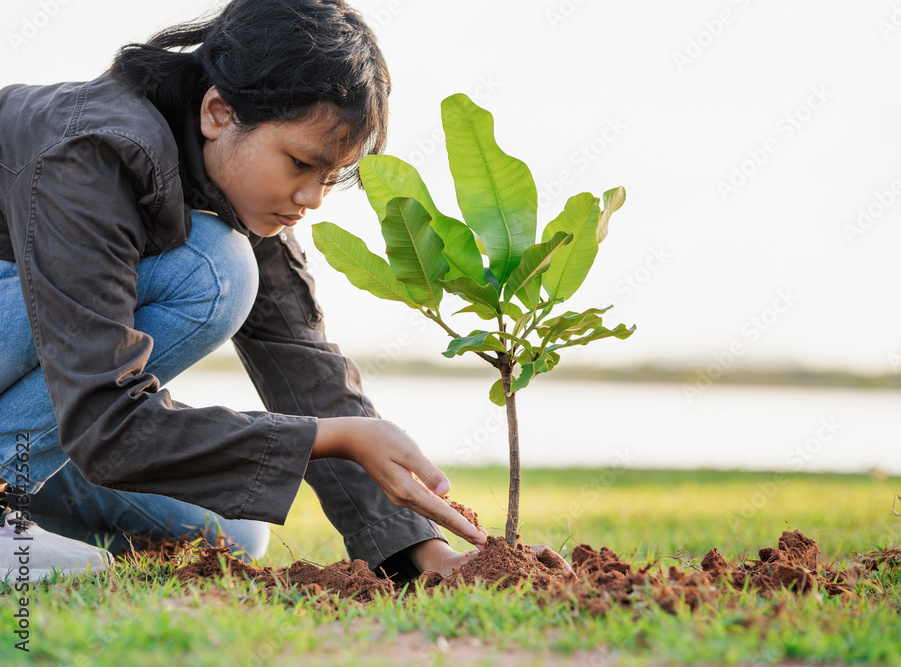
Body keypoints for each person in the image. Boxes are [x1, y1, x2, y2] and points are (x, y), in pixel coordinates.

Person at [0, 0, 557, 584]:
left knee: (232, 533)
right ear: (218, 111)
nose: (312, 198)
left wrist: (422, 554)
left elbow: (304, 366)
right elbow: (106, 421)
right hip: (89, 406)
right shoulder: (94, 155)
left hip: (58, 414)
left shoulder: (230, 184)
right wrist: (331, 438)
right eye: (301, 163)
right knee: (217, 272)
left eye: (327, 178)